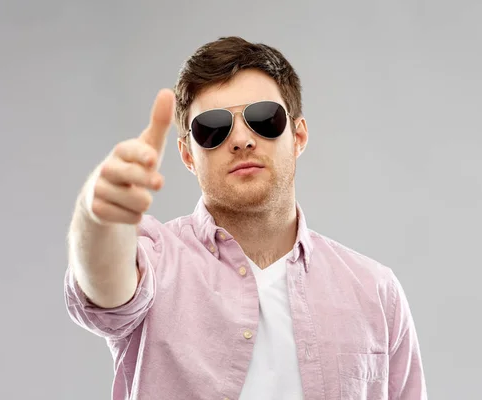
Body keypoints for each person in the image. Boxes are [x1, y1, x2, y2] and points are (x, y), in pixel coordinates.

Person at [64, 36, 427, 400]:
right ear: (187, 154)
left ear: (298, 136)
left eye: (264, 119)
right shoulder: (154, 262)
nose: (241, 139)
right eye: (212, 128)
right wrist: (98, 218)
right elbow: (104, 283)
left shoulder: (375, 291)